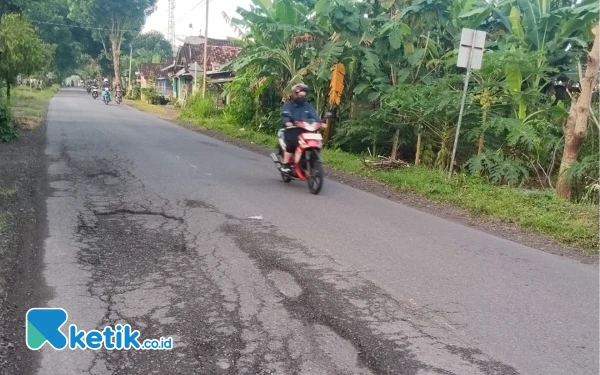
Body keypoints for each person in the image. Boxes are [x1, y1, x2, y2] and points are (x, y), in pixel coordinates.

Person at [279, 83, 320, 173]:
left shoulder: (308, 106)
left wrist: (320, 122)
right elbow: (286, 115)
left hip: (305, 130)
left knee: (316, 142)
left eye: (303, 95)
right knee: (291, 143)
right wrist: (288, 122)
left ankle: (310, 162)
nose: (302, 97)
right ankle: (285, 164)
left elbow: (314, 116)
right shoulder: (288, 105)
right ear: (295, 94)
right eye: (300, 95)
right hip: (292, 129)